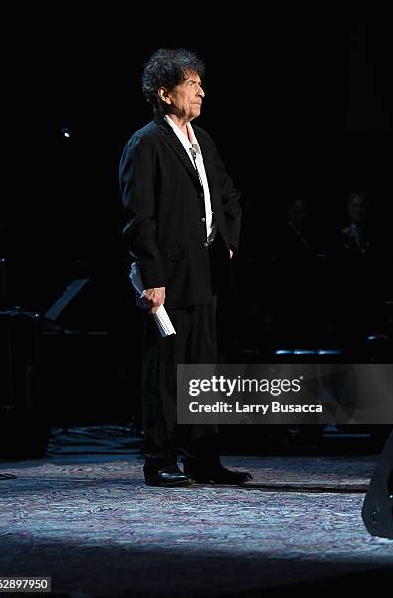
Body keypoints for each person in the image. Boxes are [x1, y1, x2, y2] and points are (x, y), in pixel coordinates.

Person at [119, 48, 252, 487]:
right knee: (165, 371)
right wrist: (152, 277)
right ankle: (159, 458)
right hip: (169, 276)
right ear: (165, 92)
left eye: (200, 83)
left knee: (203, 369)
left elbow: (228, 195)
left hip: (206, 270)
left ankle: (203, 457)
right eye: (191, 84)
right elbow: (139, 217)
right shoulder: (146, 143)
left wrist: (228, 242)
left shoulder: (203, 140)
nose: (200, 91)